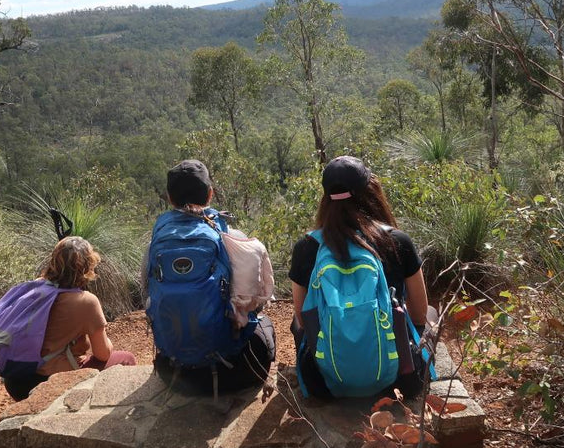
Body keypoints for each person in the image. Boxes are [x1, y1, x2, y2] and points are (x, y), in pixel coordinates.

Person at [288, 155, 431, 400]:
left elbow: (304, 319)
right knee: (431, 314)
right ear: (371, 192)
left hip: (324, 382)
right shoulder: (397, 241)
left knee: (295, 320)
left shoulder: (307, 246)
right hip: (400, 380)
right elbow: (418, 314)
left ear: (326, 199)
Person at [146, 159, 276, 395]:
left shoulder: (156, 243)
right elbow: (256, 301)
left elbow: (149, 292)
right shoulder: (234, 239)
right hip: (233, 372)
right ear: (210, 195)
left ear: (170, 198)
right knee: (265, 325)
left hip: (175, 373)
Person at [2, 236, 136, 400]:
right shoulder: (86, 301)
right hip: (47, 381)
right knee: (126, 359)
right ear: (88, 267)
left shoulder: (35, 286)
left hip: (16, 380)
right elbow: (103, 354)